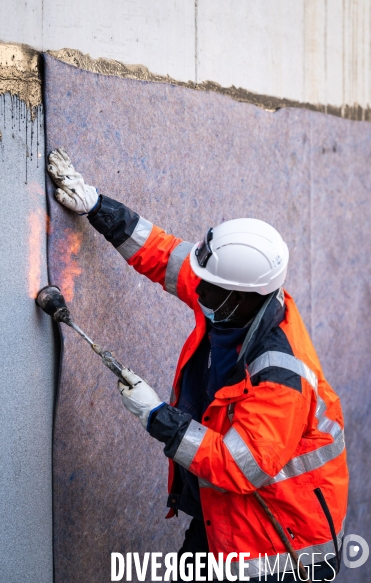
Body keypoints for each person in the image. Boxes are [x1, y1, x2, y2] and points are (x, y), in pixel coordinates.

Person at [47, 148, 348, 582]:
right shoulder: (231, 301)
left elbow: (236, 466)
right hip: (229, 519)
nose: (195, 290)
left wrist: (157, 417)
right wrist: (97, 206)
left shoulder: (281, 377)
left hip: (281, 548)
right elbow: (166, 255)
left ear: (243, 297)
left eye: (208, 287)